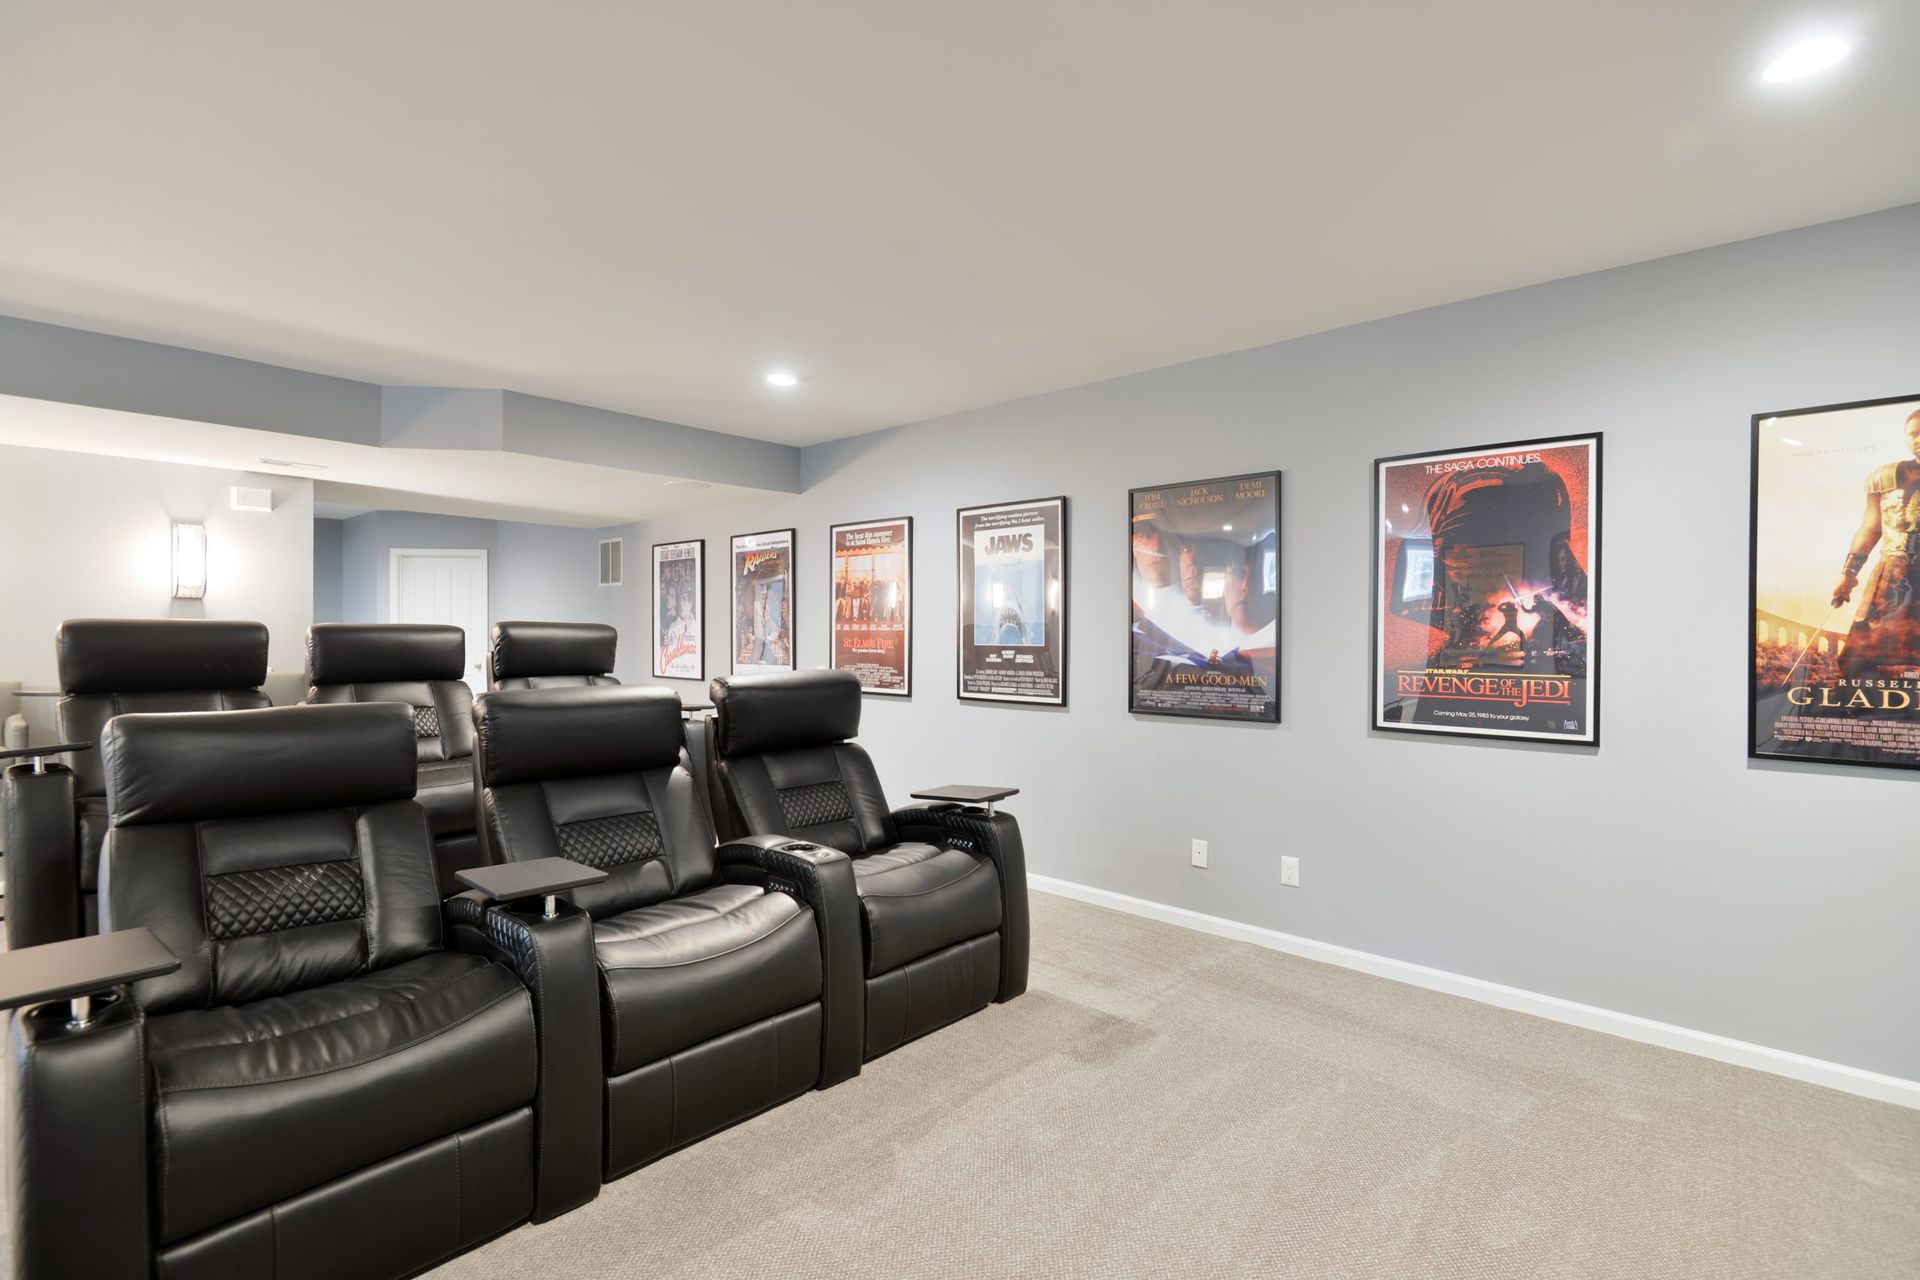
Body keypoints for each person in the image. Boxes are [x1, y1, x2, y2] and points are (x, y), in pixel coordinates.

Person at [1830, 408, 1920, 676]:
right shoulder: (1886, 476)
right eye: (1913, 434)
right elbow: (1870, 529)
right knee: (1862, 656)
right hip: (1892, 575)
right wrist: (1848, 575)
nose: (1919, 439)